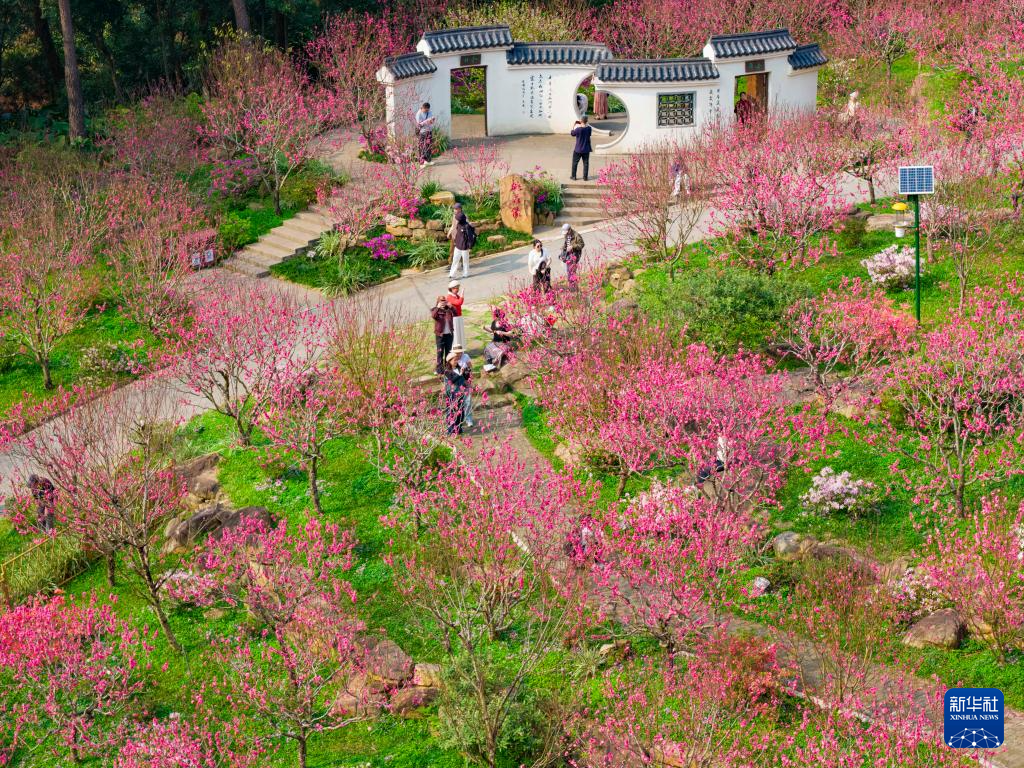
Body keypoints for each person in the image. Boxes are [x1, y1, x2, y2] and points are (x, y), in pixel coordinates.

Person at [442, 351, 467, 435]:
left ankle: (458, 428)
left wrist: (465, 373)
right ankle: (451, 429)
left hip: (460, 393)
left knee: (461, 412)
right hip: (452, 395)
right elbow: (452, 380)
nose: (456, 361)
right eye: (455, 360)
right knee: (452, 412)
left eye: (457, 360)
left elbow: (463, 379)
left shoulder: (458, 368)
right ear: (449, 361)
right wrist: (460, 374)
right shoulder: (447, 371)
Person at [430, 295, 454, 374]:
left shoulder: (448, 310)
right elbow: (433, 316)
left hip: (449, 334)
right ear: (438, 301)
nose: (443, 302)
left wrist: (451, 307)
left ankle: (448, 368)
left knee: (448, 352)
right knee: (440, 352)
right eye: (441, 300)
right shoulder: (435, 309)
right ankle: (439, 370)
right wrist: (438, 307)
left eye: (444, 300)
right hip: (440, 335)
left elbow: (456, 313)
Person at [452, 344, 474, 429]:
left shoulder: (466, 356)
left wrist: (468, 370)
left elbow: (470, 367)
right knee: (457, 403)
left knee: (468, 401)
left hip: (466, 381)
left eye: (460, 352)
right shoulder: (452, 358)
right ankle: (458, 420)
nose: (459, 354)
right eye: (457, 353)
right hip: (457, 383)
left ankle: (469, 419)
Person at [450, 210, 472, 280]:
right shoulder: (458, 225)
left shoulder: (467, 226)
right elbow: (456, 233)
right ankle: (452, 274)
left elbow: (470, 238)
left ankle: (466, 273)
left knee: (465, 261)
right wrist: (455, 241)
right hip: (458, 246)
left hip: (465, 247)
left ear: (461, 219)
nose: (456, 220)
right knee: (455, 260)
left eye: (457, 219)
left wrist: (470, 247)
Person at [570, 116, 593, 181]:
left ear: (580, 121)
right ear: (587, 121)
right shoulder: (589, 128)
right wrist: (584, 123)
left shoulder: (578, 129)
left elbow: (572, 134)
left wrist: (573, 126)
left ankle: (573, 176)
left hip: (578, 149)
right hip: (586, 149)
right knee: (586, 163)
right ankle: (585, 177)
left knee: (575, 163)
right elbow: (589, 134)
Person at [446, 279, 466, 349]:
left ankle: (461, 348)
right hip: (454, 318)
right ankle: (455, 349)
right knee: (456, 334)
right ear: (452, 289)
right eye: (456, 288)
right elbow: (459, 302)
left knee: (460, 333)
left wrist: (460, 296)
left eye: (458, 288)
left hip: (459, 317)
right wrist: (462, 294)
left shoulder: (455, 295)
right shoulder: (449, 297)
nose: (457, 290)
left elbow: (460, 301)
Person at [415, 102, 436, 167]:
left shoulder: (429, 112)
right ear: (422, 108)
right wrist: (426, 121)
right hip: (422, 132)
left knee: (428, 146)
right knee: (421, 147)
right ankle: (421, 162)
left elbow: (431, 120)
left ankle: (428, 161)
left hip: (429, 131)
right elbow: (419, 124)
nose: (427, 111)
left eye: (428, 110)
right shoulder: (419, 114)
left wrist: (432, 120)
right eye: (425, 110)